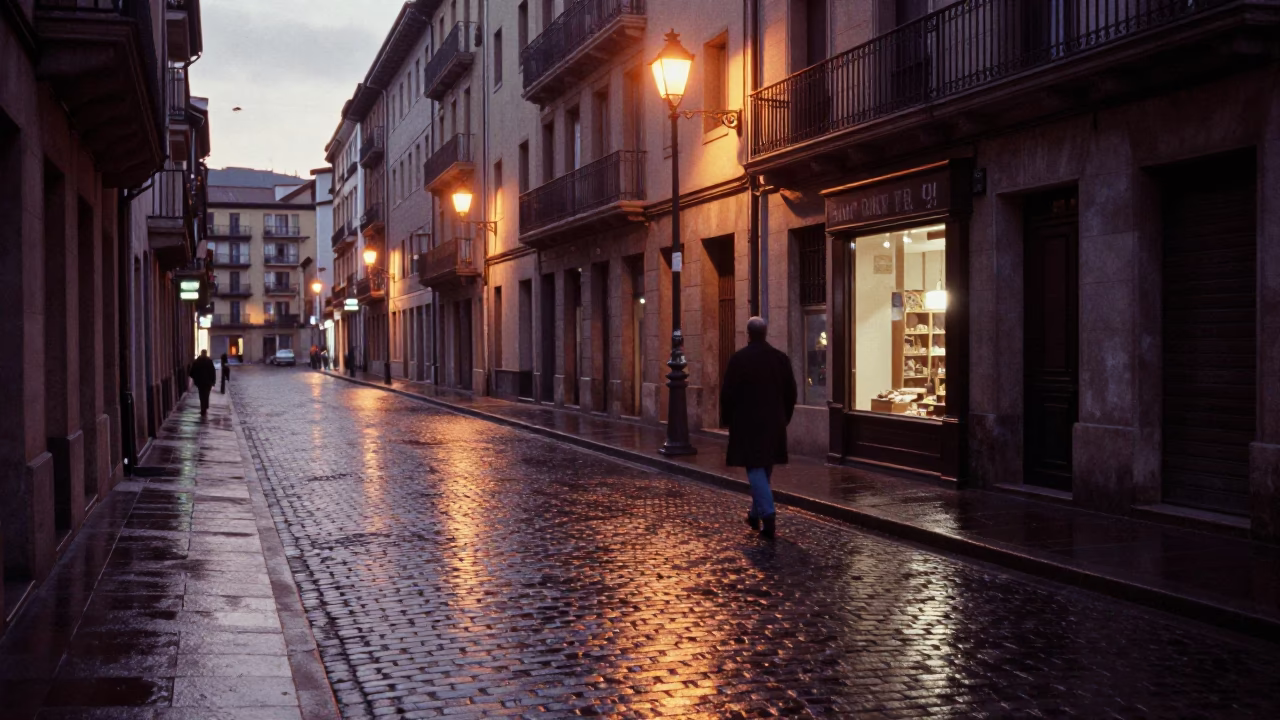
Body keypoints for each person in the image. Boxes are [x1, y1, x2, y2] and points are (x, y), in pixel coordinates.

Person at [719, 316, 797, 540]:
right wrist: (784, 418)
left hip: (747, 423)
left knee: (755, 469)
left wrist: (729, 420)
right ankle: (755, 513)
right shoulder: (780, 359)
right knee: (764, 468)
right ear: (765, 333)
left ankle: (768, 515)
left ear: (748, 334)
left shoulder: (739, 360)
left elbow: (727, 394)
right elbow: (791, 392)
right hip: (774, 422)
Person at [189, 350, 217, 416]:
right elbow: (213, 372)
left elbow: (192, 372)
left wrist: (195, 378)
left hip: (202, 382)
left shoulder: (198, 361)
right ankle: (204, 407)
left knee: (203, 395)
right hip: (205, 382)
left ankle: (203, 407)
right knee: (205, 395)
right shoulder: (207, 361)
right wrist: (213, 381)